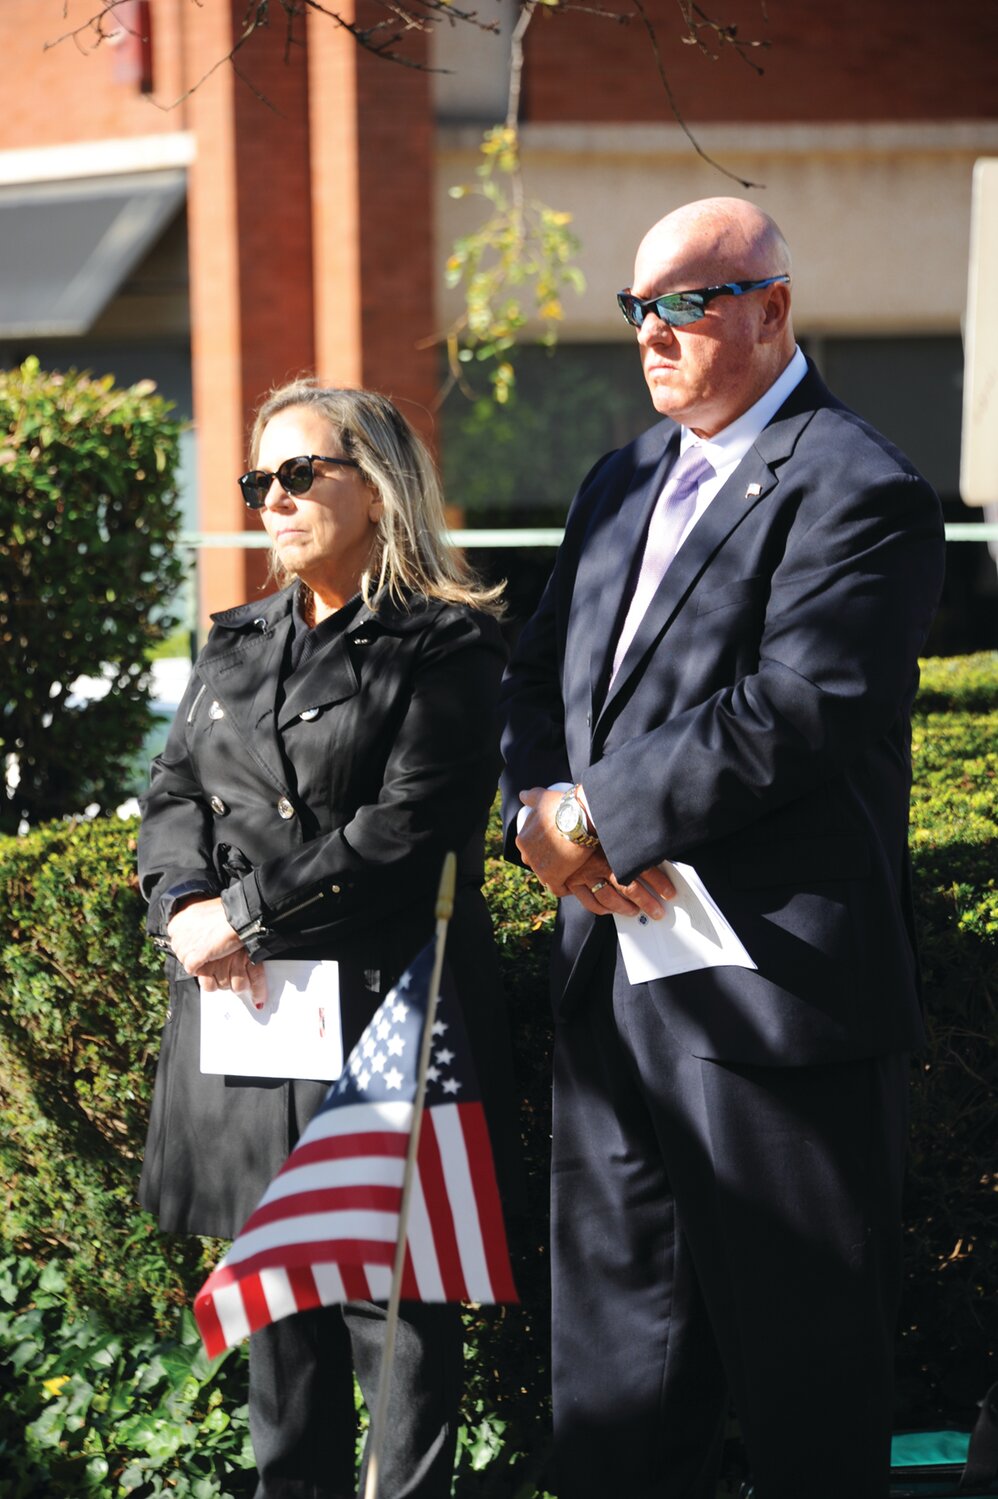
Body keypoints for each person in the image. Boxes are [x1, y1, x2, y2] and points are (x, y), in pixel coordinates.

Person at [500, 198, 945, 1499]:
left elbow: (793, 709)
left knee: (806, 1398)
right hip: (611, 996)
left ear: (771, 306)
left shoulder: (858, 484)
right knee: (613, 1396)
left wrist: (600, 816)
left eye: (684, 302)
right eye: (636, 306)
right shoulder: (618, 476)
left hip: (775, 1010)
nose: (652, 331)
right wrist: (537, 813)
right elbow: (535, 677)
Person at [138, 381, 515, 1499]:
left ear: (378, 484)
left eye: (301, 473)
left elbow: (407, 827)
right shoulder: (236, 640)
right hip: (253, 1015)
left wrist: (242, 915)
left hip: (382, 1013)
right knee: (278, 1314)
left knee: (392, 1315)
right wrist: (182, 907)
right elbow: (171, 794)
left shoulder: (446, 644)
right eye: (260, 481)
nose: (275, 499)